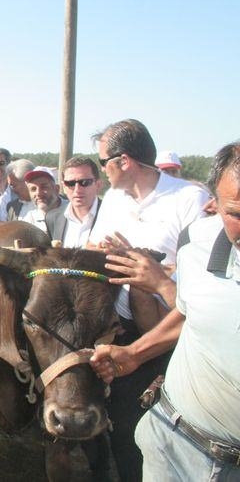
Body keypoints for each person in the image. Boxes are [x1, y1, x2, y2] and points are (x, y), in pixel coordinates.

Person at [90, 141, 240, 481]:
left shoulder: (184, 200)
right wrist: (135, 353)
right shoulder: (198, 242)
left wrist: (159, 283)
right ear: (214, 202)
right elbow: (189, 311)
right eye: (237, 214)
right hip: (173, 442)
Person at [45, 156, 102, 247]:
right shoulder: (52, 218)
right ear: (64, 187)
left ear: (98, 185)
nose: (77, 189)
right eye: (70, 183)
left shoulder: (113, 216)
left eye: (84, 182)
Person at [20, 166, 67, 233]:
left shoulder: (72, 211)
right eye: (33, 189)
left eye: (44, 187)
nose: (38, 193)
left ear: (56, 189)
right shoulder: (30, 219)